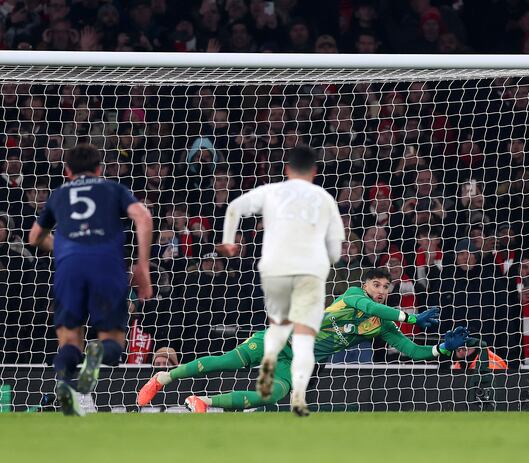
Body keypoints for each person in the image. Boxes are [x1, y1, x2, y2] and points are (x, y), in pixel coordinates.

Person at [136, 268, 454, 412]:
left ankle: (203, 402)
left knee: (273, 394)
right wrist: (411, 317)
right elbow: (367, 306)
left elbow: (410, 349)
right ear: (366, 284)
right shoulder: (355, 295)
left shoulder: (383, 325)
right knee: (225, 362)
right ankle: (164, 377)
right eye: (377, 284)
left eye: (387, 287)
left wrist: (440, 348)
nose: (381, 290)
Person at [215, 145, 345, 417]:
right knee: (304, 339)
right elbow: (335, 251)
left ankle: (269, 361)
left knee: (277, 326)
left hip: (275, 269)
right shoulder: (324, 198)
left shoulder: (272, 191)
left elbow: (234, 207)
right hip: (309, 271)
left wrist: (228, 241)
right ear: (315, 171)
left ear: (286, 170)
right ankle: (298, 396)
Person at [27, 143, 153, 416]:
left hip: (69, 267)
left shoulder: (59, 194)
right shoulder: (112, 189)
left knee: (69, 342)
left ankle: (64, 386)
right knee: (113, 345)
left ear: (68, 172)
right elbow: (143, 217)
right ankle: (96, 358)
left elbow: (34, 237)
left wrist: (64, 247)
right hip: (107, 265)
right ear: (99, 170)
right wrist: (143, 266)